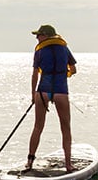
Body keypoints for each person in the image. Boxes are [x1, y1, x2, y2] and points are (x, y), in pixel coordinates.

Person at [27, 23, 77, 172]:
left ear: (47, 36)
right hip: (61, 91)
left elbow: (35, 74)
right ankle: (68, 165)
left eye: (39, 35)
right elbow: (73, 69)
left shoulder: (40, 51)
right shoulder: (64, 48)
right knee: (66, 128)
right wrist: (65, 74)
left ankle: (29, 162)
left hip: (43, 91)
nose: (37, 37)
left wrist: (32, 95)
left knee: (38, 127)